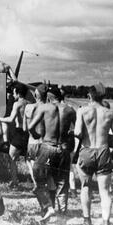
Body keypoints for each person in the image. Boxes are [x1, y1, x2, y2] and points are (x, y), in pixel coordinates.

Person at [74, 83, 113, 225]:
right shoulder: (110, 113)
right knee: (105, 191)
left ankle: (87, 222)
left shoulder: (82, 111)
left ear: (90, 95)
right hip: (103, 150)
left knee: (85, 186)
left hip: (87, 150)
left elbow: (78, 132)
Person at [27, 84, 58, 222]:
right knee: (49, 176)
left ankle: (45, 208)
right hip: (48, 144)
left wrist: (34, 134)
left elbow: (27, 126)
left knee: (37, 180)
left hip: (34, 143)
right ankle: (52, 206)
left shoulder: (31, 107)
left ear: (36, 95)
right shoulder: (52, 109)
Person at [45, 85, 76, 214]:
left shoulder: (45, 109)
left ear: (50, 97)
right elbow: (76, 129)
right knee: (63, 180)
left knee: (49, 178)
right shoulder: (69, 110)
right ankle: (62, 210)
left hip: (48, 147)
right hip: (63, 147)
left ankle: (50, 207)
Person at [0, 83, 29, 188]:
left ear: (18, 93)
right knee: (29, 160)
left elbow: (11, 119)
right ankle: (36, 182)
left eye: (14, 91)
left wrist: (0, 119)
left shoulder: (17, 104)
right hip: (28, 134)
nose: (13, 93)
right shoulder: (29, 103)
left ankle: (14, 181)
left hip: (19, 132)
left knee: (12, 158)